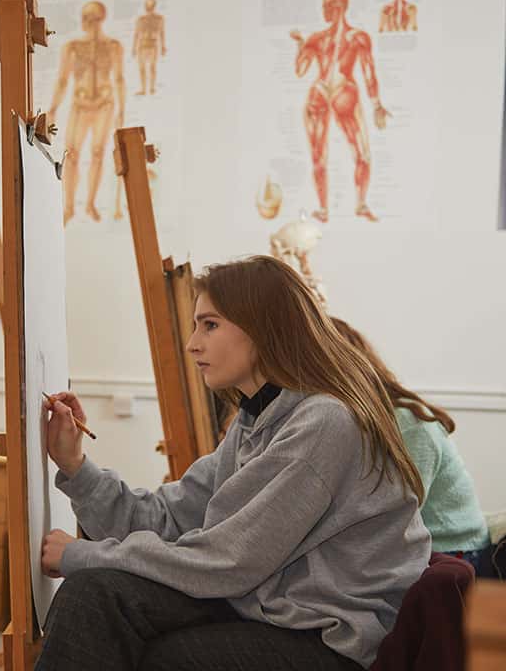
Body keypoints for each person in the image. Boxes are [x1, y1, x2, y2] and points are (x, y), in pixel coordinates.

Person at [36, 256, 430, 671]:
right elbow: (169, 519)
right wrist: (76, 466)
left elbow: (229, 562)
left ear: (262, 328)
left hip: (329, 642)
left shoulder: (324, 423)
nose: (192, 344)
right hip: (273, 607)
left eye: (210, 324)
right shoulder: (257, 420)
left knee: (157, 651)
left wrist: (83, 554)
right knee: (96, 594)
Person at [331, 317, 490, 572]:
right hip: (417, 546)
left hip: (452, 550)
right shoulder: (347, 422)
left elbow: (399, 516)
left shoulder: (407, 422)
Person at [290, 0, 390, 223]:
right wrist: (302, 45)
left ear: (337, 7)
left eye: (326, 6)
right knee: (320, 156)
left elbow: (368, 71)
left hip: (337, 91)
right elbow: (300, 70)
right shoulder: (322, 38)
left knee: (360, 153)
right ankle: (330, 208)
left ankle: (358, 204)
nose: (323, 11)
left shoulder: (356, 37)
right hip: (329, 91)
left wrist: (376, 104)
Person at [48, 0, 125, 226]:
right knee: (71, 154)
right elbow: (62, 80)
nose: (88, 23)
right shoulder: (72, 47)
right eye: (86, 18)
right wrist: (53, 109)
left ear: (99, 19)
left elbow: (119, 79)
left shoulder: (113, 47)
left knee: (98, 152)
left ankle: (90, 203)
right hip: (80, 105)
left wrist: (121, 110)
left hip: (104, 104)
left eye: (91, 18)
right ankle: (70, 207)